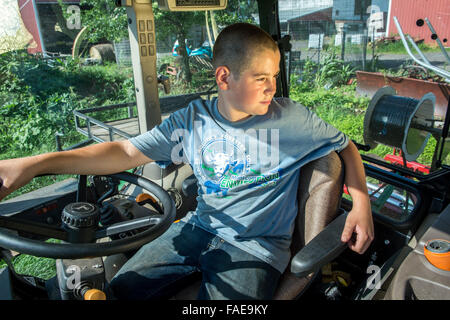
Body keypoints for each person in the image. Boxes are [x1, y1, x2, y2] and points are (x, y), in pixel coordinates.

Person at [0, 23, 373, 300]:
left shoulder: (291, 119)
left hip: (257, 247)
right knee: (117, 292)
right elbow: (126, 153)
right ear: (224, 78)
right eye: (261, 78)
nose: (272, 88)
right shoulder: (192, 120)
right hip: (197, 228)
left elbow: (346, 147)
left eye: (274, 77)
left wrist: (361, 204)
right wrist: (35, 163)